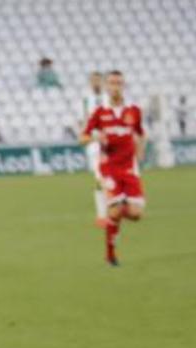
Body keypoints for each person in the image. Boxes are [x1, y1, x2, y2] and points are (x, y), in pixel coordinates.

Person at [80, 70, 146, 267]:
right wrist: (95, 137)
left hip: (129, 168)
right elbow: (82, 137)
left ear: (123, 85)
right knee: (115, 212)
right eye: (111, 83)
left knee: (135, 214)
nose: (115, 87)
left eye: (118, 83)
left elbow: (141, 134)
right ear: (106, 87)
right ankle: (110, 254)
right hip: (109, 168)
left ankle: (113, 212)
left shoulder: (134, 111)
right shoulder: (100, 112)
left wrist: (140, 153)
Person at [80, 71, 108, 230]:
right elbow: (84, 120)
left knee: (114, 177)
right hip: (94, 143)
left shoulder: (108, 98)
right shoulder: (86, 100)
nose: (96, 83)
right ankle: (101, 215)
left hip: (111, 143)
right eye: (93, 80)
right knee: (99, 178)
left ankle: (117, 208)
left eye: (98, 80)